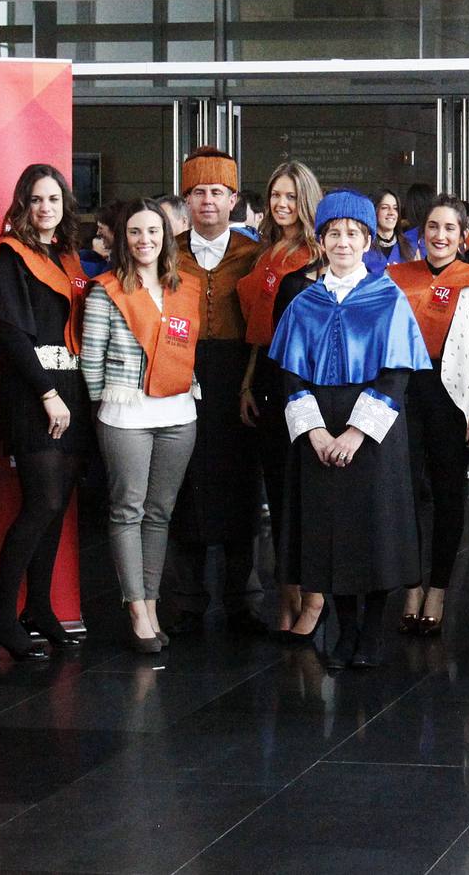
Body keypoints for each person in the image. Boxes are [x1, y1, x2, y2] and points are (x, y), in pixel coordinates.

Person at [268, 190, 432, 670]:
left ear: (367, 241)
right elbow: (290, 375)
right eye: (333, 233)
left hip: (373, 433)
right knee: (328, 530)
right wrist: (316, 434)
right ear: (321, 241)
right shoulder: (304, 303)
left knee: (375, 528)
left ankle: (372, 633)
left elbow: (396, 375)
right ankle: (343, 630)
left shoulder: (388, 299)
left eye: (353, 234)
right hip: (319, 429)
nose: (343, 242)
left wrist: (356, 434)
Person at [82, 199, 201, 655]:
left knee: (159, 513)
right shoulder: (105, 290)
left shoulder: (183, 287)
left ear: (166, 237)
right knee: (127, 510)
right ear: (122, 239)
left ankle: (152, 602)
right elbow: (91, 363)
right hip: (125, 413)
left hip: (178, 413)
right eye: (135, 232)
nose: (145, 240)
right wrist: (106, 413)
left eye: (153, 231)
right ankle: (136, 609)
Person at [0, 163, 91, 658]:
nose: (45, 208)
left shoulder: (69, 258)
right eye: (36, 200)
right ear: (22, 205)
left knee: (57, 508)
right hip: (35, 394)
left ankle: (40, 608)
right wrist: (47, 394)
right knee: (41, 504)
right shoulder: (10, 259)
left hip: (73, 388)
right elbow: (10, 334)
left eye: (53, 199)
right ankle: (3, 618)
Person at [163, 147, 267, 636]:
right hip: (179, 372)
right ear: (186, 202)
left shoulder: (256, 256)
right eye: (198, 192)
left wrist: (250, 382)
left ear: (234, 201)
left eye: (217, 193)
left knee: (240, 485)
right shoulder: (168, 251)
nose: (208, 201)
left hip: (237, 378)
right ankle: (186, 598)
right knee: (183, 484)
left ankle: (241, 598)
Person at [387, 195, 469, 636]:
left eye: (449, 228)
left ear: (462, 234)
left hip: (451, 397)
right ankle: (412, 584)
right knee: (407, 491)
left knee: (449, 493)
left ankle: (439, 588)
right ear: (421, 231)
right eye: (432, 227)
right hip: (403, 394)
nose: (439, 236)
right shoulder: (397, 278)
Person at [235, 161, 324, 639]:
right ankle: (287, 595)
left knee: (303, 495)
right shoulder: (266, 252)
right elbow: (258, 328)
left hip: (303, 378)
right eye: (275, 195)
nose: (281, 204)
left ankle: (314, 597)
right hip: (267, 373)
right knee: (278, 494)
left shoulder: (316, 254)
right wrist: (248, 382)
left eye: (291, 196)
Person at [366, 189, 423, 273]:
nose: (391, 212)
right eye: (385, 208)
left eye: (395, 208)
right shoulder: (363, 247)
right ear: (374, 211)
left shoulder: (411, 247)